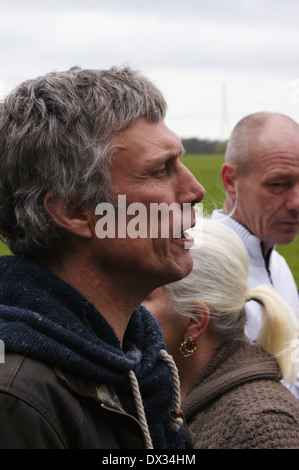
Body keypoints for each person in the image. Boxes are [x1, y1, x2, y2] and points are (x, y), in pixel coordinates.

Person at [0, 66, 204, 449]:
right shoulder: (16, 400)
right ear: (75, 211)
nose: (195, 189)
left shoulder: (142, 361)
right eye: (161, 170)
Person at [143, 219, 299, 449]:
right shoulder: (152, 386)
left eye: (145, 296)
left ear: (195, 321)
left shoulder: (263, 426)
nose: (126, 305)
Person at [211, 112, 299, 396]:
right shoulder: (202, 269)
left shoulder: (278, 262)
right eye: (278, 184)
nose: (296, 202)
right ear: (230, 181)